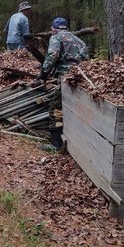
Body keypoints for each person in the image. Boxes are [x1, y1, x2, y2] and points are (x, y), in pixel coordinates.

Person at [35, 16, 89, 152]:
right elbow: (86, 60)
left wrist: (43, 73)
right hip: (81, 79)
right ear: (68, 28)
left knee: (56, 108)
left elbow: (53, 54)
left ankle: (55, 144)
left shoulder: (57, 37)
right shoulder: (79, 40)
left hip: (66, 78)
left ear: (53, 30)